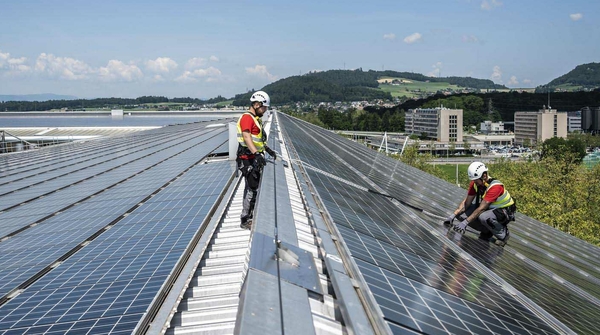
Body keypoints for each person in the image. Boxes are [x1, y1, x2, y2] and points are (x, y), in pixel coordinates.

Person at [443, 161, 516, 246]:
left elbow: (482, 208)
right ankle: (487, 231)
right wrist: (453, 215)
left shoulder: (495, 187)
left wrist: (465, 223)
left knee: (484, 217)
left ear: (484, 176)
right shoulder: (475, 184)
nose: (474, 182)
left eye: (476, 180)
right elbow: (467, 203)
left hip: (503, 213)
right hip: (490, 210)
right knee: (461, 215)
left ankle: (503, 235)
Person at [236, 90, 277, 230]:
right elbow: (247, 137)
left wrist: (266, 149)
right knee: (252, 188)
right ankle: (245, 220)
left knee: (252, 187)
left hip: (252, 157)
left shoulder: (255, 119)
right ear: (257, 104)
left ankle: (250, 215)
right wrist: (257, 154)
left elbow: (256, 140)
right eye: (264, 107)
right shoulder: (247, 118)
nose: (265, 110)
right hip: (246, 158)